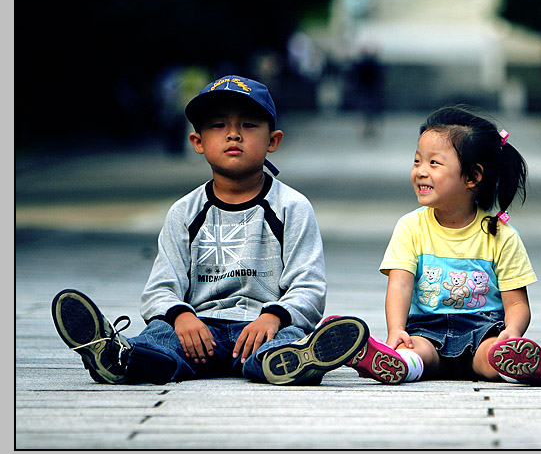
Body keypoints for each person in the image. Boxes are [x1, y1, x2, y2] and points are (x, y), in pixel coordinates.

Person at [52, 74, 371, 386]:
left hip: (263, 329)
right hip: (197, 332)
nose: (233, 135)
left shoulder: (292, 207)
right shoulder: (184, 211)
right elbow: (160, 288)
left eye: (248, 125)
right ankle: (119, 357)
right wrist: (181, 317)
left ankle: (295, 360)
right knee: (159, 337)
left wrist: (274, 317)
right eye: (218, 125)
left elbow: (309, 286)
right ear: (198, 142)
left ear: (273, 140)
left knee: (287, 338)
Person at [356, 105, 541, 387]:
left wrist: (512, 331)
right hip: (427, 329)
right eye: (417, 161)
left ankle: (517, 365)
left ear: (472, 177)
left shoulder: (500, 235)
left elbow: (517, 303)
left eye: (434, 163)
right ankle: (396, 363)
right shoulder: (410, 227)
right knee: (415, 350)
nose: (420, 171)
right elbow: (399, 285)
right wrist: (396, 330)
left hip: (482, 329)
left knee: (490, 355)